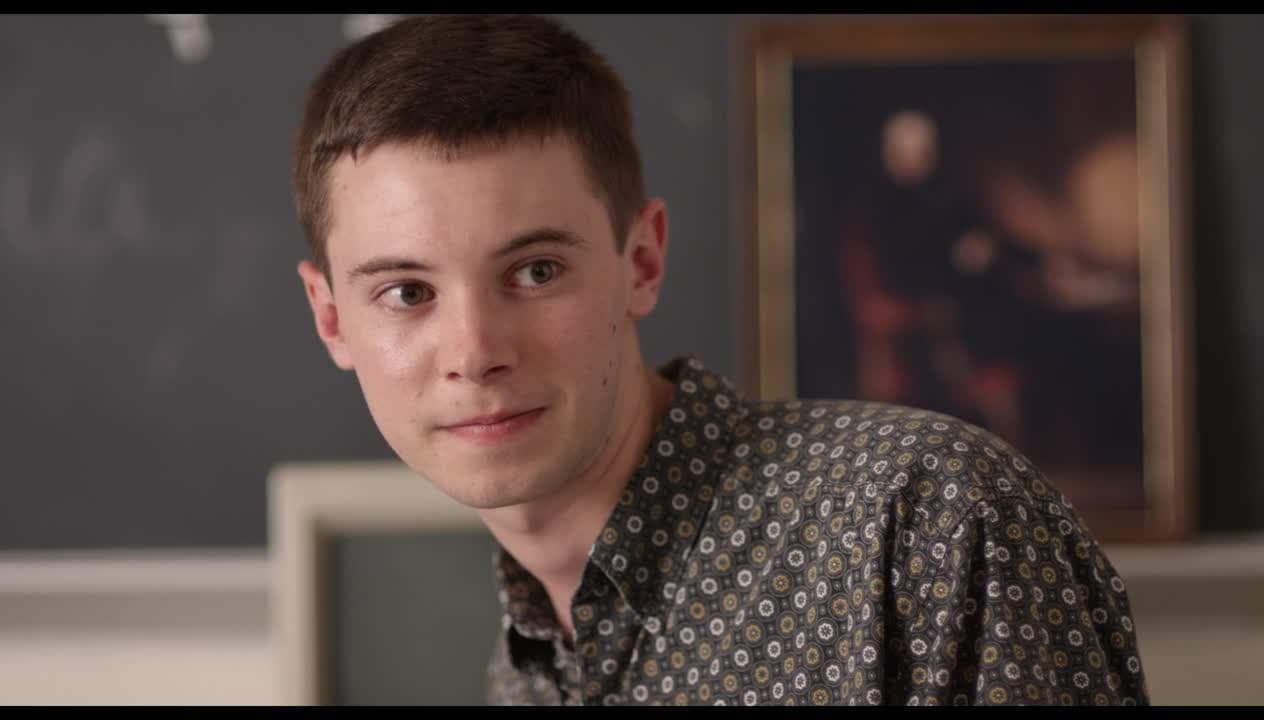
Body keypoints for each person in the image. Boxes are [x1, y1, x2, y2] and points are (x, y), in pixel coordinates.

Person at [290, 14, 1149, 706]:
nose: (475, 353)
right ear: (332, 320)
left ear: (642, 262)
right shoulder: (525, 671)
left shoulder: (929, 524)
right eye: (406, 291)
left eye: (536, 271)